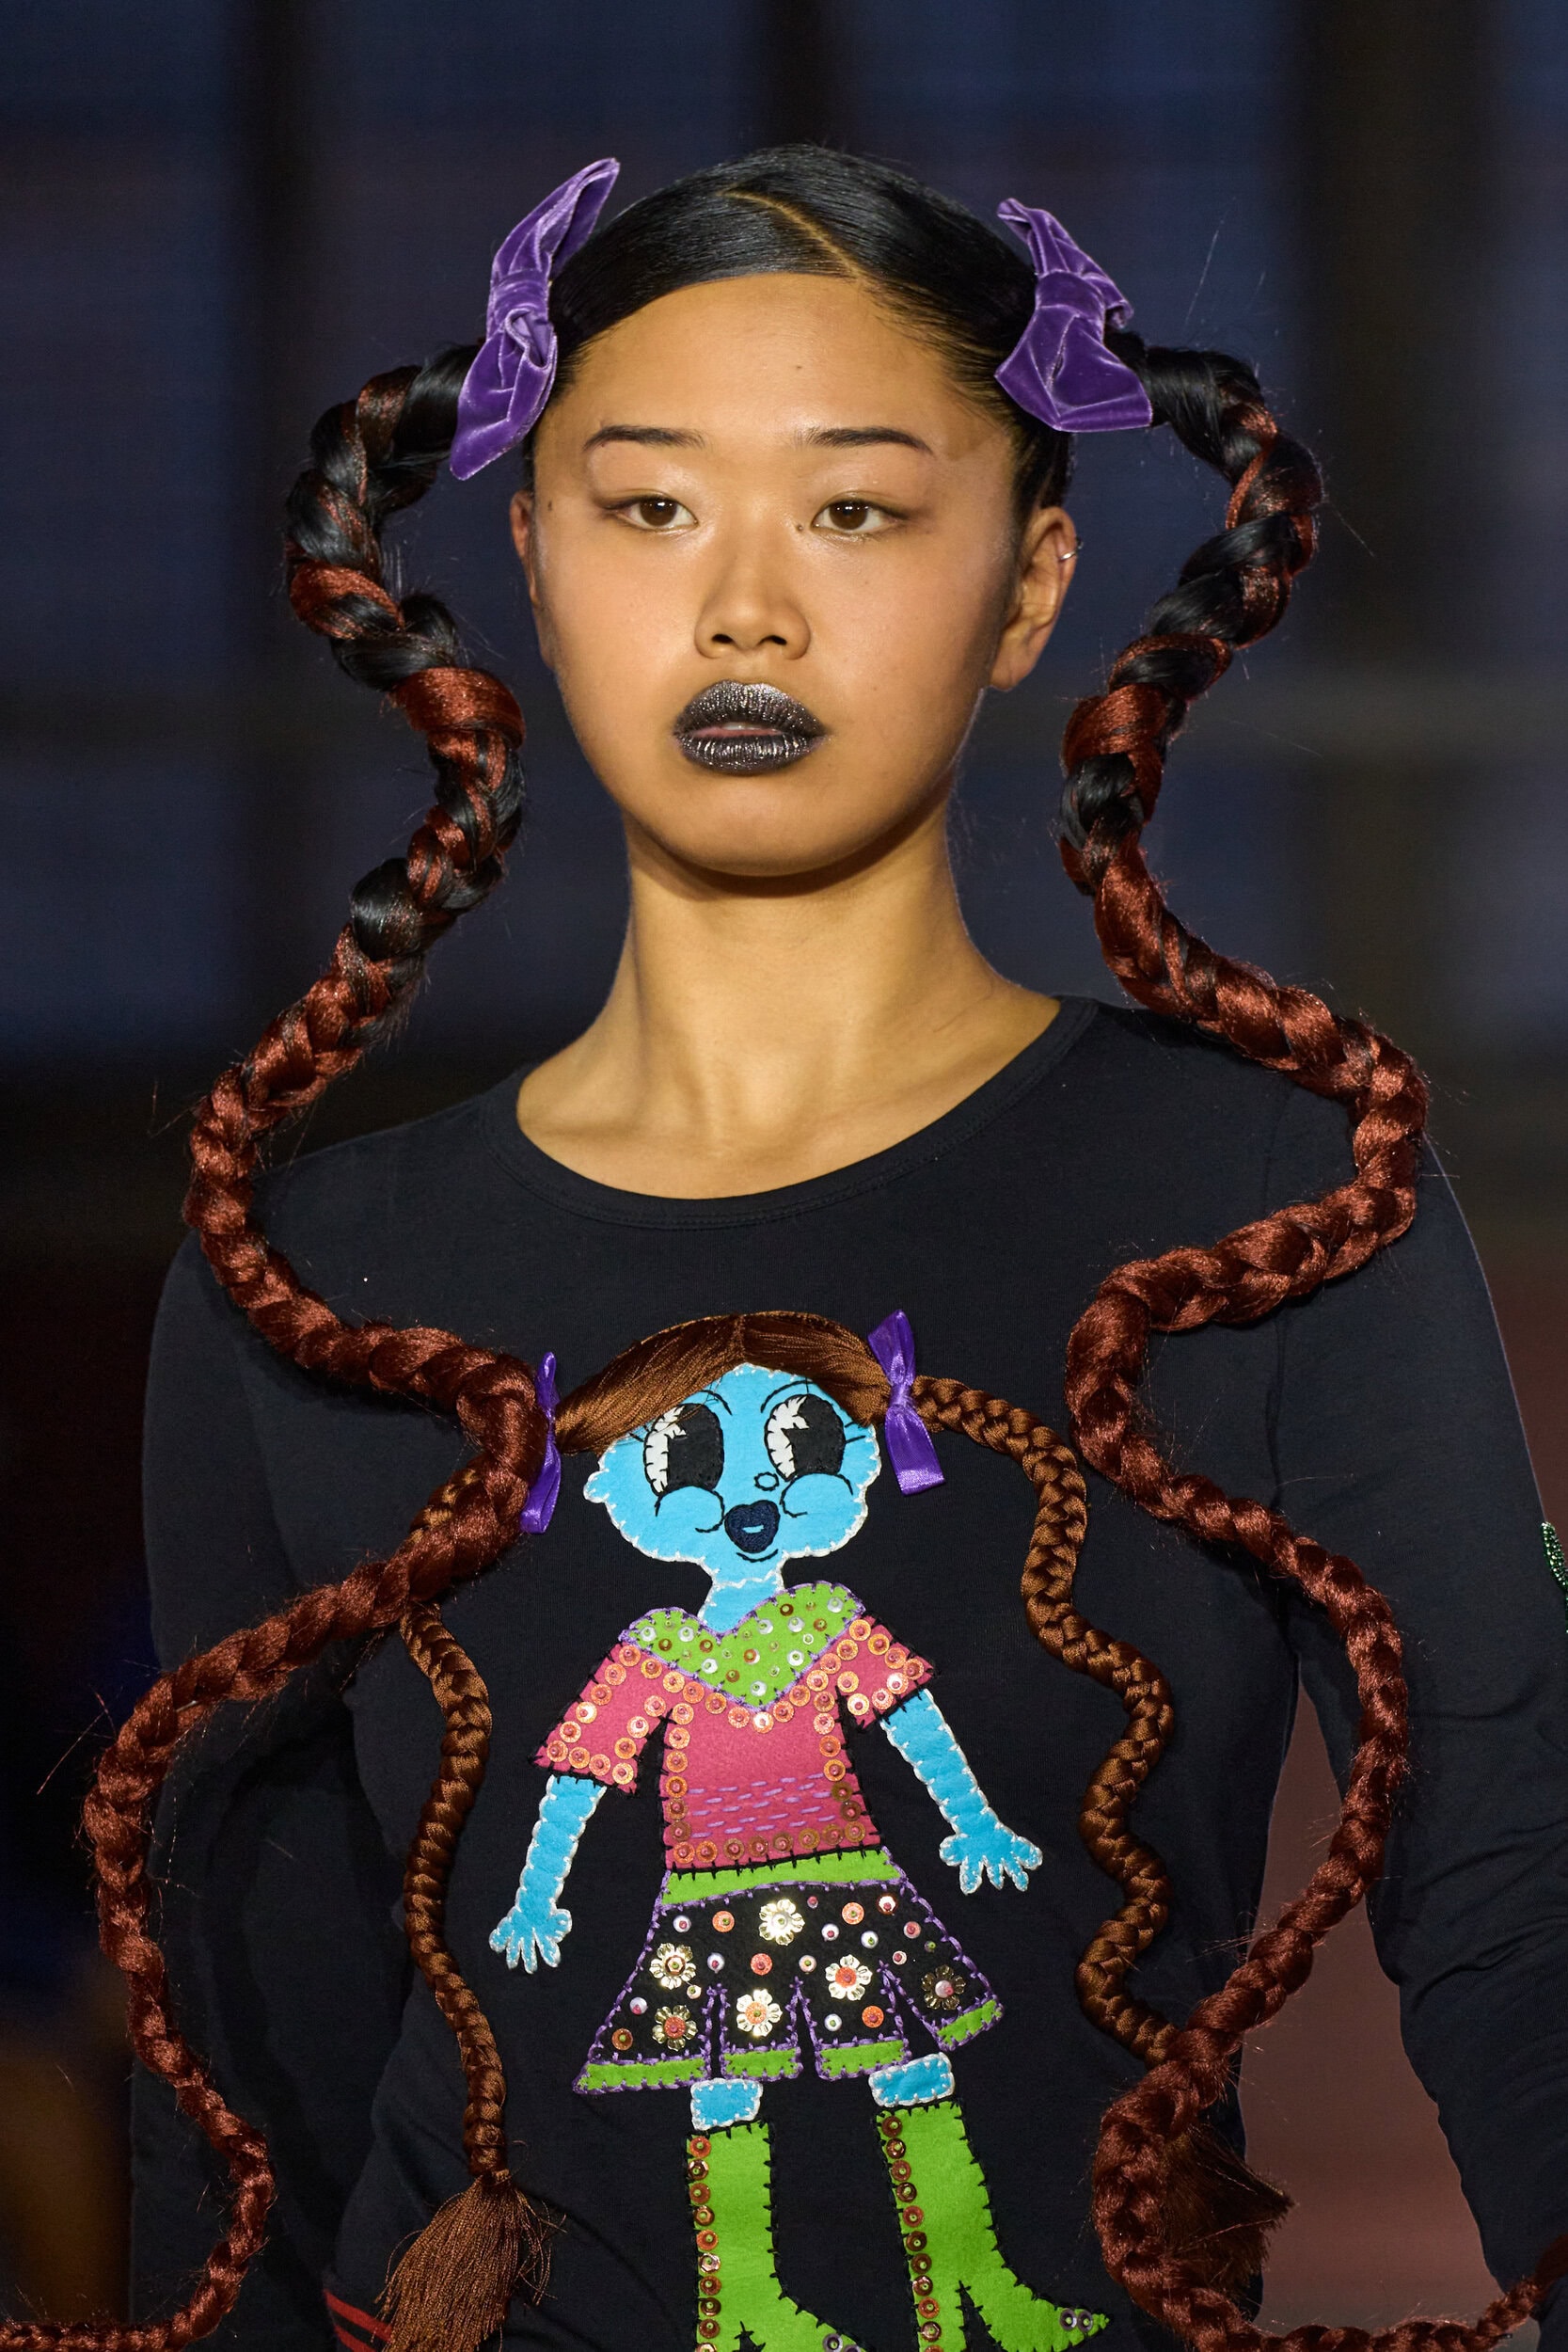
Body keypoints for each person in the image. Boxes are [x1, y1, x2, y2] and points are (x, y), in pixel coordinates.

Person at [51, 146, 1568, 2352]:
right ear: (530, 559)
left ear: (1032, 584)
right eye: (651, 504)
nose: (745, 605)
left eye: (855, 507)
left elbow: (1516, 1877)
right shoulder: (316, 1275)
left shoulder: (1275, 1204)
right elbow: (243, 2064)